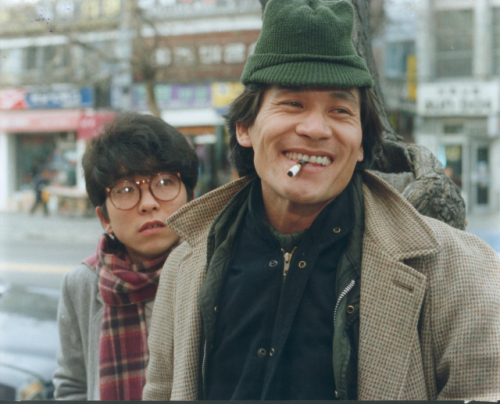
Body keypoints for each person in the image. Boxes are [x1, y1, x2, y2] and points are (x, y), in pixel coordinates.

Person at [143, 0, 500, 401]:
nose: (315, 129)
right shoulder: (186, 266)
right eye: (292, 103)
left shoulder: (457, 268)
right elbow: (160, 391)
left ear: (361, 144)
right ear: (244, 128)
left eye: (340, 110)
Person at [53, 112, 199, 400]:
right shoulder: (81, 285)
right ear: (104, 218)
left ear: (191, 199)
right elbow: (72, 387)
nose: (148, 204)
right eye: (126, 190)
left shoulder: (216, 268)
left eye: (165, 183)